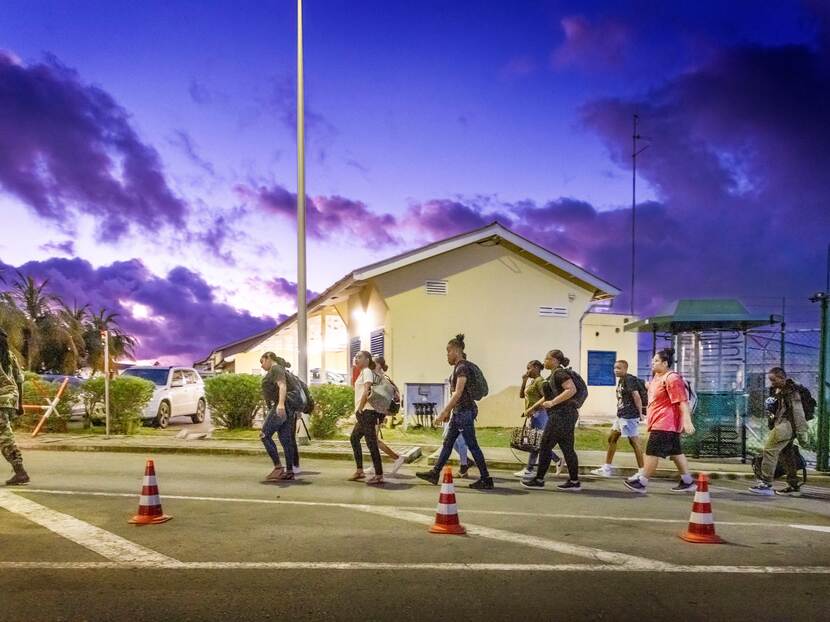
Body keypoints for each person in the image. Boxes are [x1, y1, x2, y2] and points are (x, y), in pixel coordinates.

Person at [416, 334, 493, 490]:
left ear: (456, 351)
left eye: (448, 351)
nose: (447, 355)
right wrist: (451, 413)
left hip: (464, 412)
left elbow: (458, 393)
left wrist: (444, 412)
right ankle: (435, 473)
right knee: (448, 443)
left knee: (473, 446)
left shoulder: (461, 368)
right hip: (459, 412)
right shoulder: (459, 367)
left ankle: (486, 479)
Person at [623, 348, 696, 494]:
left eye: (656, 361)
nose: (652, 363)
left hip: (665, 423)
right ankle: (688, 481)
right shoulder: (657, 378)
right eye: (652, 361)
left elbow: (682, 401)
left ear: (665, 363)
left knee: (651, 452)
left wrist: (687, 422)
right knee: (675, 452)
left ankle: (642, 482)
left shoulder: (672, 378)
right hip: (660, 422)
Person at [521, 350, 582, 491]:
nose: (544, 361)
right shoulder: (553, 375)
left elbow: (571, 389)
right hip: (565, 415)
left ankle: (539, 479)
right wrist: (533, 408)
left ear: (555, 360)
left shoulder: (559, 373)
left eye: (547, 359)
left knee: (545, 446)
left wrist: (553, 403)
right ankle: (574, 482)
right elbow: (548, 396)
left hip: (561, 415)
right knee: (567, 449)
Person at [749, 367, 809, 496]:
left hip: (785, 426)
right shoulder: (779, 390)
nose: (772, 383)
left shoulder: (791, 392)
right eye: (771, 380)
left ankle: (766, 484)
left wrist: (802, 432)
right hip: (782, 425)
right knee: (786, 453)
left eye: (774, 380)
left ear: (782, 378)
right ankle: (793, 485)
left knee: (769, 451)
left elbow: (798, 413)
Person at [591, 360, 645, 477]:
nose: (616, 370)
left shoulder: (629, 379)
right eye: (615, 368)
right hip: (621, 415)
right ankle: (607, 468)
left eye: (619, 368)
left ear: (625, 369)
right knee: (612, 438)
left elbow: (636, 396)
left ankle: (642, 472)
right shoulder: (621, 380)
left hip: (629, 415)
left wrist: (640, 414)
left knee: (634, 442)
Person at [515, 360, 562, 479]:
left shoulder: (540, 381)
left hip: (540, 415)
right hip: (533, 415)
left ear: (536, 368)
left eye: (529, 368)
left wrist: (532, 409)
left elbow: (546, 397)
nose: (527, 371)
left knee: (537, 442)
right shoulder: (532, 381)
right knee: (535, 442)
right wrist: (524, 381)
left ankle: (531, 468)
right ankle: (553, 461)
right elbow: (521, 395)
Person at [364, 356, 406, 477]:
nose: (371, 365)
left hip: (378, 412)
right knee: (372, 440)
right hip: (378, 411)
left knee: (373, 440)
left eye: (374, 363)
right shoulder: (381, 376)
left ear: (379, 365)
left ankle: (397, 457)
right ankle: (374, 465)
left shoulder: (381, 377)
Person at [349, 351, 385, 485]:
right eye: (356, 357)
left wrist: (360, 408)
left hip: (367, 413)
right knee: (354, 438)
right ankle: (360, 470)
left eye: (359, 357)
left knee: (371, 443)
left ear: (367, 359)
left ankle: (379, 475)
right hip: (364, 413)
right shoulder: (363, 372)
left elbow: (367, 390)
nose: (356, 359)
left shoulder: (367, 372)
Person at [259, 352, 296, 481]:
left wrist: (280, 404)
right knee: (286, 440)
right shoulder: (278, 369)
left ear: (269, 358)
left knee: (264, 435)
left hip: (280, 407)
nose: (262, 365)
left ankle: (278, 467)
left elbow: (282, 385)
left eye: (262, 361)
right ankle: (290, 470)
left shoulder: (275, 368)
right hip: (287, 408)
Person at [0, 328, 28, 486]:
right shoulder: (10, 356)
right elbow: (19, 380)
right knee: (4, 435)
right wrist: (20, 404)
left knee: (4, 437)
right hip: (10, 400)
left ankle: (20, 472)